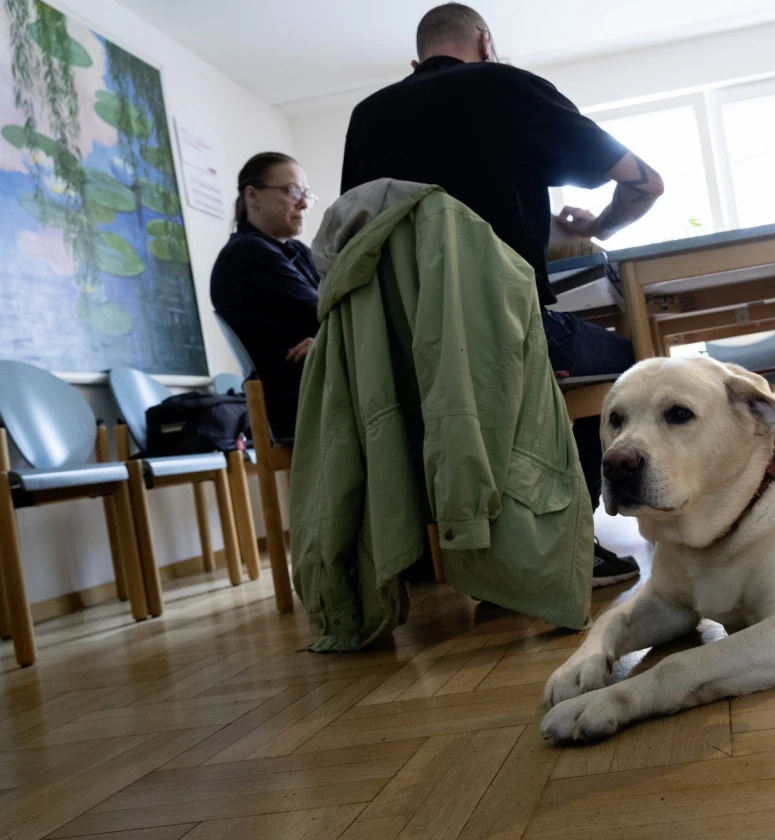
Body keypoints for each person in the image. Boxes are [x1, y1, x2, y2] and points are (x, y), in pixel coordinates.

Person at [341, 3, 665, 587]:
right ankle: (572, 538)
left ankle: (462, 546)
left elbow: (357, 241)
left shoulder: (368, 117)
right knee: (624, 362)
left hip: (404, 346)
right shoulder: (504, 86)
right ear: (485, 43)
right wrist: (599, 229)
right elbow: (645, 182)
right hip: (513, 333)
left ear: (417, 62)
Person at [210, 152, 320, 439]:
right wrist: (333, 337)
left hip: (323, 390)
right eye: (291, 191)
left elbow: (345, 309)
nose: (304, 203)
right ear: (252, 195)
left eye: (306, 193)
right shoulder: (247, 254)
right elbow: (329, 312)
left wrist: (328, 338)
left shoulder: (296, 252)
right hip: (302, 404)